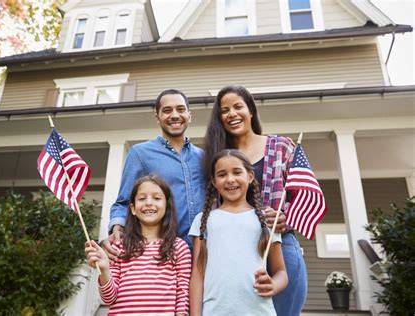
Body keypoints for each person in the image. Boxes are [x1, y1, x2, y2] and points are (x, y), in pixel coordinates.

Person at [202, 85, 308, 316]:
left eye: (238, 106)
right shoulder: (219, 155)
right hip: (235, 250)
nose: (232, 114)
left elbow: (302, 195)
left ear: (250, 110)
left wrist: (285, 216)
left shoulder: (281, 146)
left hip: (280, 245)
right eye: (224, 110)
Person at [101, 89, 205, 258]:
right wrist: (117, 227)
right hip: (162, 255)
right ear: (157, 118)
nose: (174, 115)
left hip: (204, 253)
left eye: (180, 109)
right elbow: (124, 202)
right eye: (166, 110)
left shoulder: (204, 157)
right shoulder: (139, 154)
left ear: (189, 115)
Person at [189, 149, 288, 315]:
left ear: (250, 176)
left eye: (237, 172)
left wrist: (273, 285)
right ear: (213, 181)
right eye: (222, 175)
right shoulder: (203, 220)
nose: (230, 179)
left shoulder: (267, 219)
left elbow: (281, 272)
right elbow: (197, 274)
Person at [85, 174, 192, 315]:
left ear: (167, 206)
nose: (148, 202)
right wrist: (104, 270)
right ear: (133, 208)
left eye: (157, 198)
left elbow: (182, 296)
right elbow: (108, 298)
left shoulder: (179, 247)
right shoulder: (119, 247)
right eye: (142, 198)